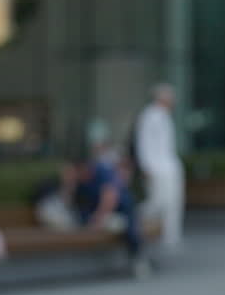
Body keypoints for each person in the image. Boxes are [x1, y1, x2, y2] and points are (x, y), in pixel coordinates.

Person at [74, 152, 150, 279]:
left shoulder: (102, 171)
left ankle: (138, 259)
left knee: (130, 227)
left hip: (121, 208)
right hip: (99, 211)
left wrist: (98, 219)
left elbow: (110, 197)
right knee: (86, 217)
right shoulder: (80, 179)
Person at [135, 84, 185, 255]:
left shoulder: (165, 116)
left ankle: (171, 236)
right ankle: (139, 223)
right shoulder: (150, 115)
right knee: (157, 202)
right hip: (157, 168)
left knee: (172, 202)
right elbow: (143, 143)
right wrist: (146, 166)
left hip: (169, 166)